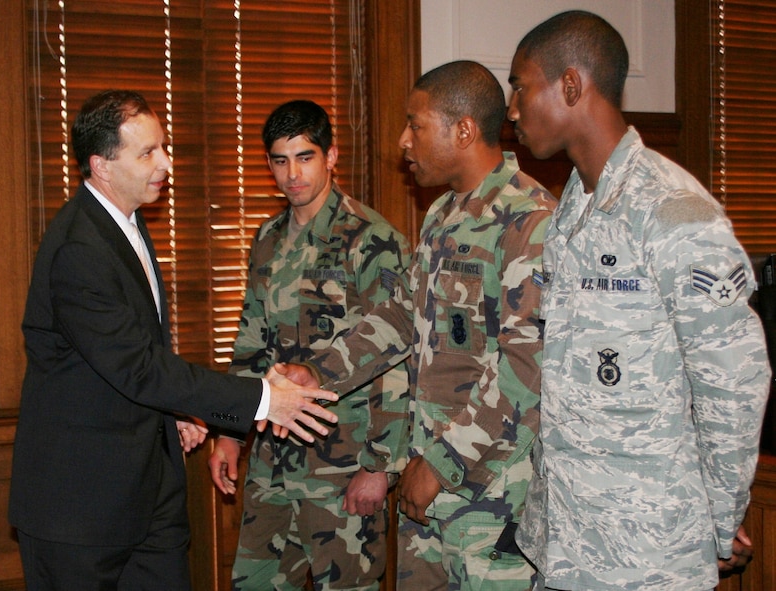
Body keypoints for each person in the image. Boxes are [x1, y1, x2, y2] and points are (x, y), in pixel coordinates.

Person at [8, 90, 338, 591]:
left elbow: (131, 355)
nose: (166, 164)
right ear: (100, 165)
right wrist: (266, 400)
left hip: (147, 496)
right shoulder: (80, 248)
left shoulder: (125, 224)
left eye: (163, 147)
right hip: (80, 509)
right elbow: (136, 367)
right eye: (148, 153)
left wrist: (175, 413)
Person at [506, 11, 772, 591]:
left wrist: (719, 521)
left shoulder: (671, 210)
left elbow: (733, 379)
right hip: (565, 541)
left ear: (570, 85)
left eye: (520, 86)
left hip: (644, 556)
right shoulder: (572, 208)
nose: (512, 108)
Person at [285, 61, 557, 590]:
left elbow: (527, 370)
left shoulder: (531, 220)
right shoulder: (442, 216)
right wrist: (317, 375)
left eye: (416, 124)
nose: (403, 139)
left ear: (462, 130)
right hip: (426, 488)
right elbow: (400, 318)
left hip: (491, 497)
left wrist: (441, 463)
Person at [207, 99, 411, 590]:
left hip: (342, 467)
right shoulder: (269, 238)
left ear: (331, 155)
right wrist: (231, 433)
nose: (292, 174)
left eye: (304, 157)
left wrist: (381, 468)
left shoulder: (371, 239)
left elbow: (398, 359)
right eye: (280, 160)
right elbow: (251, 342)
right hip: (272, 464)